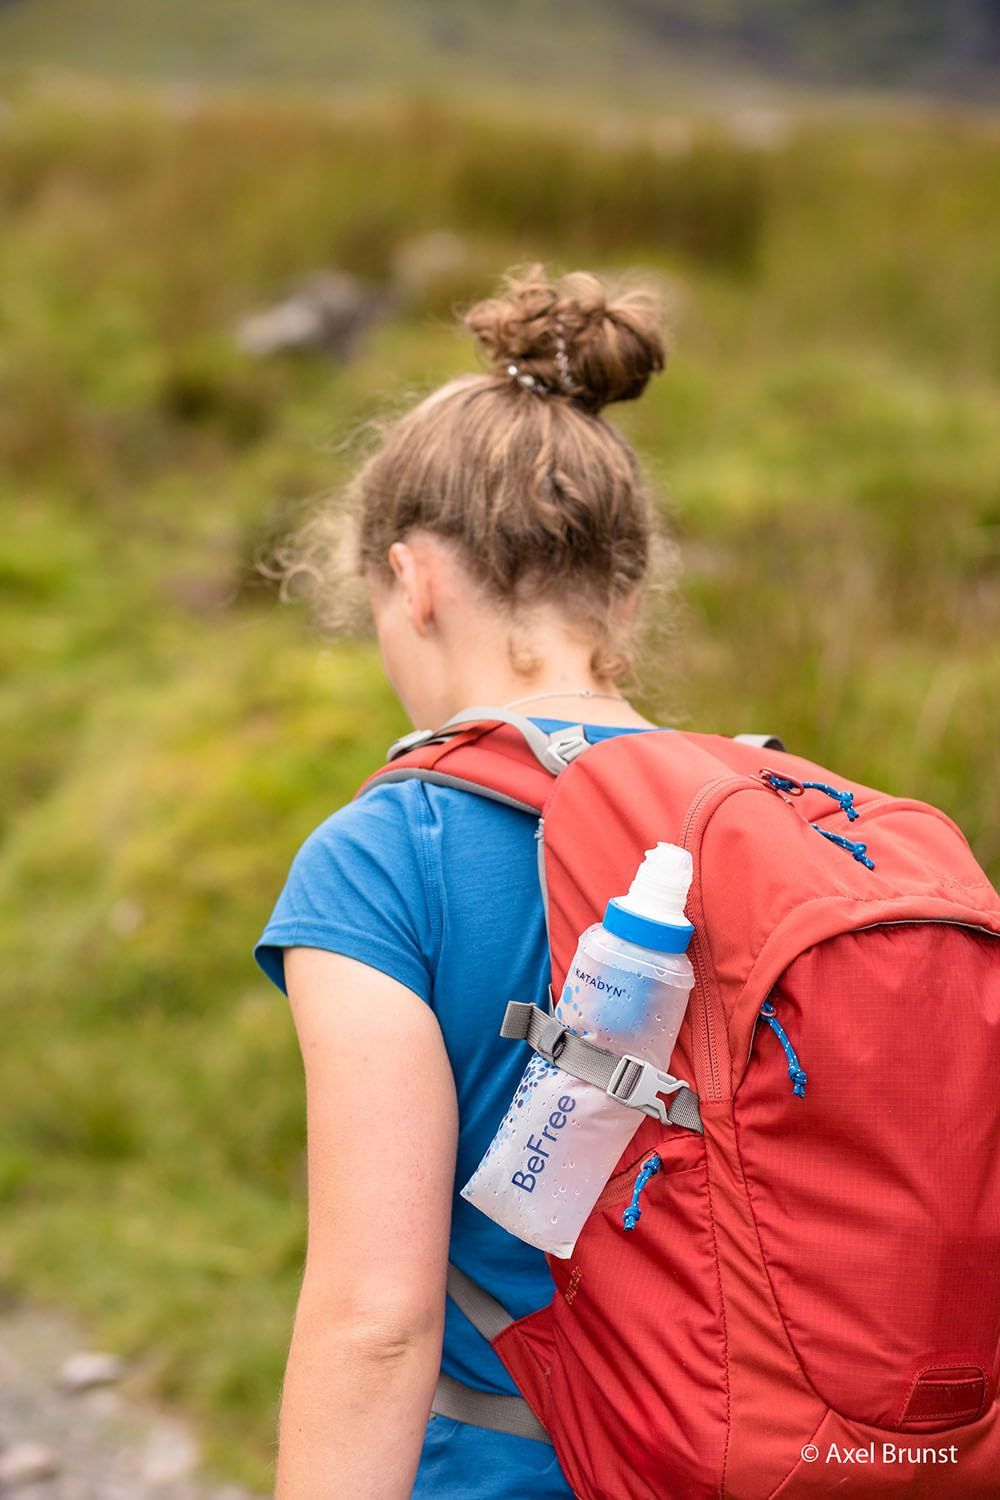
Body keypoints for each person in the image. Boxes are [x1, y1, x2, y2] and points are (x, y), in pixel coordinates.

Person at [253, 264, 671, 1498]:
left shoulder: (388, 857)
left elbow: (377, 1322)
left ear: (413, 582)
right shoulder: (806, 822)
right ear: (629, 595)